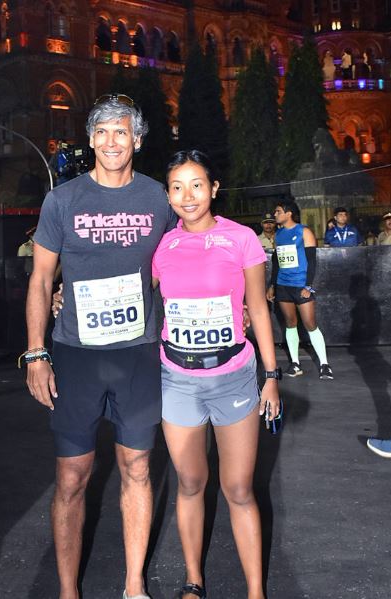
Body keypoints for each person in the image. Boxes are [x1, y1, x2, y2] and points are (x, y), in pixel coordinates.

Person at [52, 150, 281, 599]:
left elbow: (258, 307)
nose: (187, 196)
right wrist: (68, 295)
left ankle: (256, 592)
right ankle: (194, 581)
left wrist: (271, 376)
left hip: (234, 376)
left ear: (214, 188)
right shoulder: (163, 246)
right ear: (168, 195)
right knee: (190, 483)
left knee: (238, 489)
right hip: (177, 380)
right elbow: (128, 286)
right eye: (176, 187)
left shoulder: (242, 239)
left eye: (197, 185)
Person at [23, 93, 177, 599]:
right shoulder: (63, 200)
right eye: (103, 132)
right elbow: (41, 279)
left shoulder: (159, 198)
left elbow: (182, 257)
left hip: (138, 354)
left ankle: (134, 587)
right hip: (77, 356)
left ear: (138, 140)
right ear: (91, 139)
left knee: (138, 468)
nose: (112, 141)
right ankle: (69, 592)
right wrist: (36, 353)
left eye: (122, 132)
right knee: (72, 477)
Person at [266, 199, 333, 380]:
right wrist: (272, 285)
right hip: (283, 285)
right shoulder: (278, 235)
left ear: (289, 213)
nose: (275, 214)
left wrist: (308, 286)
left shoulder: (304, 231)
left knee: (310, 324)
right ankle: (295, 364)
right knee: (290, 323)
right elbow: (277, 262)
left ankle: (325, 365)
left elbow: (312, 261)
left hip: (301, 285)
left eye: (278, 211)